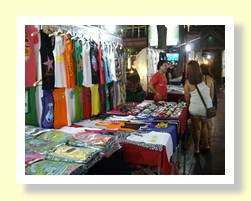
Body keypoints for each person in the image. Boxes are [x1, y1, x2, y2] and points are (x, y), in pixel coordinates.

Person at [184, 60, 213, 155]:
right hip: (206, 108)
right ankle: (207, 145)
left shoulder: (188, 82)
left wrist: (189, 107)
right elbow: (211, 95)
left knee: (196, 129)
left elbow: (187, 98)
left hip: (195, 109)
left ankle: (196, 149)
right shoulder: (207, 79)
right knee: (204, 126)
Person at [200, 64, 215, 149]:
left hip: (200, 105)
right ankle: (208, 142)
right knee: (209, 125)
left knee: (202, 125)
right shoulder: (211, 79)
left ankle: (203, 142)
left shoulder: (199, 79)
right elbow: (212, 95)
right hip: (208, 104)